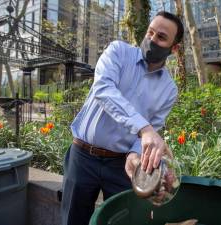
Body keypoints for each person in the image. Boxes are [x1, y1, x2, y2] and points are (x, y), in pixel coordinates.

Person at [61, 11, 184, 225]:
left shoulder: (169, 89)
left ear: (174, 48)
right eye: (150, 32)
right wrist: (144, 129)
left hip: (121, 166)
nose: (152, 39)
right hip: (83, 156)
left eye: (161, 37)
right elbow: (104, 89)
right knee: (73, 220)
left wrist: (135, 154)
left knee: (124, 220)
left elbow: (154, 125)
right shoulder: (117, 51)